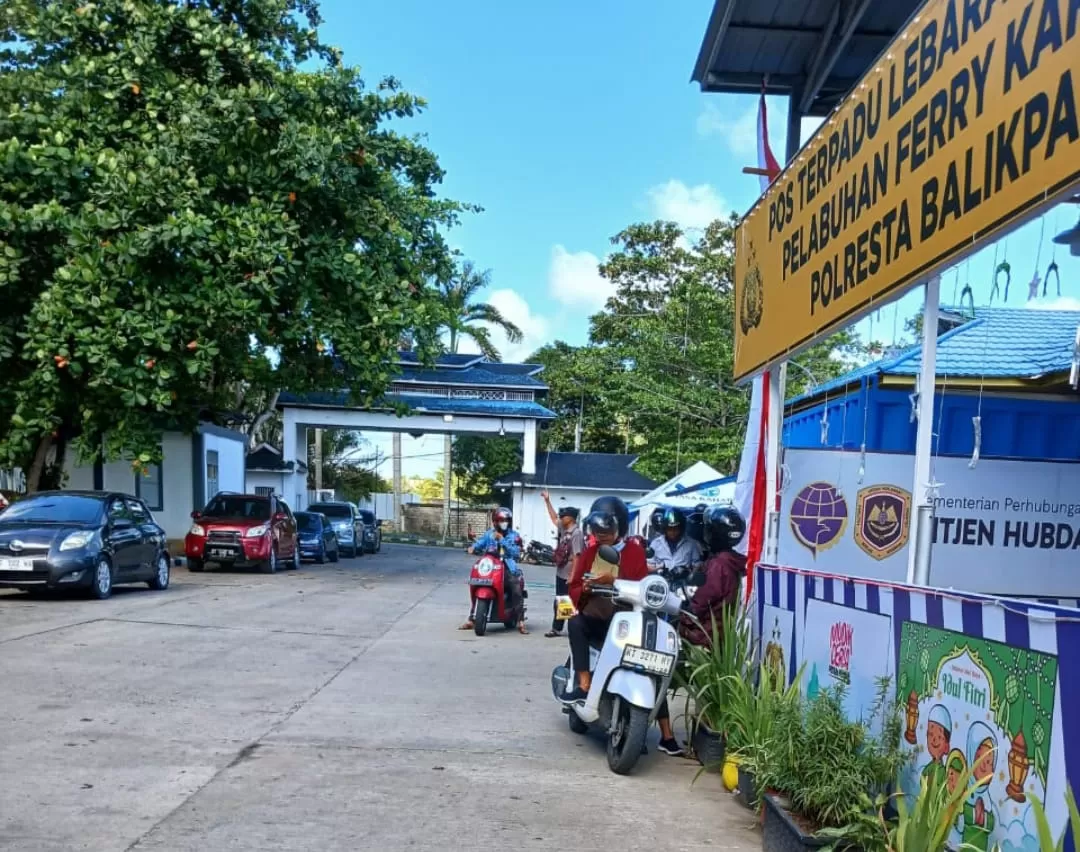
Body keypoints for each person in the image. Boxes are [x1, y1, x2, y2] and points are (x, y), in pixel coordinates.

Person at [653, 506, 748, 756]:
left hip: (698, 637)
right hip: (716, 640)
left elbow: (698, 602)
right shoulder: (732, 563)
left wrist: (685, 603)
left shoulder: (718, 566)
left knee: (655, 671)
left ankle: (666, 736)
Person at [559, 495, 648, 704]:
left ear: (620, 528)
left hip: (626, 622)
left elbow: (643, 587)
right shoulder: (590, 552)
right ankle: (583, 683)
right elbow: (573, 587)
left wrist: (614, 581)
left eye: (606, 532)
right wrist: (586, 588)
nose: (602, 536)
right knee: (575, 622)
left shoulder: (635, 552)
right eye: (598, 532)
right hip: (598, 617)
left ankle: (665, 729)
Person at [460, 507, 527, 634]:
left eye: (506, 520)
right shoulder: (489, 534)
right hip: (491, 566)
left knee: (516, 589)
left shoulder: (513, 536)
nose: (504, 522)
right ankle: (472, 618)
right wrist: (472, 548)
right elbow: (480, 543)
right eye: (501, 520)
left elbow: (515, 552)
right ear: (495, 521)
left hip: (507, 568)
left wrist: (501, 539)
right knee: (476, 582)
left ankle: (520, 620)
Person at [540, 491, 583, 638]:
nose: (561, 519)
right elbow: (553, 518)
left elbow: (577, 556)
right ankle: (558, 628)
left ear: (570, 518)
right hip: (561, 571)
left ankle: (567, 628)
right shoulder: (565, 529)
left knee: (566, 600)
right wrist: (547, 501)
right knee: (560, 600)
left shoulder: (577, 533)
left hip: (569, 572)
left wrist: (572, 575)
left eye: (563, 516)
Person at [648, 508, 704, 577]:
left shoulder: (691, 544)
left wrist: (690, 573)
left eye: (676, 528)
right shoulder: (656, 543)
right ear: (665, 529)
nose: (673, 532)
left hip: (684, 584)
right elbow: (648, 565)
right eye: (670, 529)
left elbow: (697, 565)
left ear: (681, 528)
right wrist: (659, 568)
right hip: (661, 582)